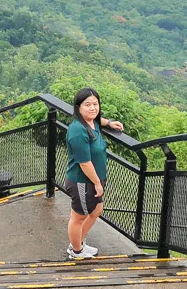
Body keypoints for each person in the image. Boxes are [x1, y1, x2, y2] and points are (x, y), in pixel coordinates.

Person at [65, 87, 123, 258]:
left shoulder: (92, 122)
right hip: (81, 181)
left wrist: (109, 123)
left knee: (96, 211)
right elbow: (84, 163)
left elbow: (98, 119)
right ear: (78, 108)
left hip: (93, 179)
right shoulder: (77, 130)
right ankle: (75, 251)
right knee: (78, 217)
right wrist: (97, 183)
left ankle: (78, 243)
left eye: (95, 104)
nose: (92, 108)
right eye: (87, 104)